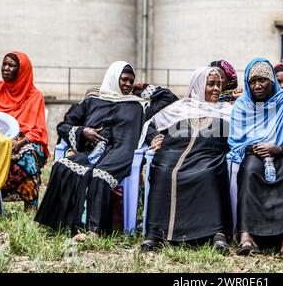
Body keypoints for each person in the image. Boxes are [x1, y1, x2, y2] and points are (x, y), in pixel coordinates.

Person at [35, 61, 177, 239]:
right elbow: (64, 125)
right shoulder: (92, 101)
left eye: (131, 81)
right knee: (62, 166)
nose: (127, 84)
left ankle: (93, 230)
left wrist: (143, 88)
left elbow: (169, 99)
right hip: (90, 152)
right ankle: (63, 224)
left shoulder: (138, 106)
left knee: (99, 176)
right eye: (124, 79)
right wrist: (82, 132)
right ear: (113, 78)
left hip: (121, 153)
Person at [228, 58, 283, 259]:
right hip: (257, 152)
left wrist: (278, 149)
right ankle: (246, 236)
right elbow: (236, 142)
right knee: (249, 170)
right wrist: (254, 147)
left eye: (263, 80)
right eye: (252, 81)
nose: (257, 85)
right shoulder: (243, 105)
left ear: (272, 82)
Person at [140, 67, 233, 253]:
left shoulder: (228, 110)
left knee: (210, 173)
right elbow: (150, 124)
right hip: (172, 152)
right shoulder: (179, 108)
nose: (216, 89)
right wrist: (154, 137)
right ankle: (155, 234)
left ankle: (216, 233)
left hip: (209, 155)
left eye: (219, 85)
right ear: (198, 85)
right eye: (211, 84)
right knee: (164, 172)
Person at [0, 52, 49, 211]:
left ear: (22, 71)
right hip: (0, 139)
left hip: (28, 140)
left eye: (11, 65)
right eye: (4, 64)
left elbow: (36, 131)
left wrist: (19, 144)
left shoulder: (35, 97)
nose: (5, 68)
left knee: (27, 158)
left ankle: (30, 205)